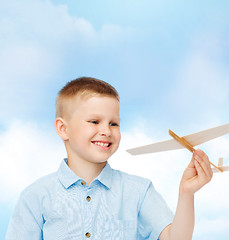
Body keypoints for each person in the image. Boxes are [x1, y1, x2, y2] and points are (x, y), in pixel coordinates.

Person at [5, 77, 213, 240]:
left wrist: (187, 193)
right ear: (63, 128)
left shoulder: (139, 191)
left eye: (114, 123)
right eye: (94, 121)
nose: (106, 131)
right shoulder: (35, 196)